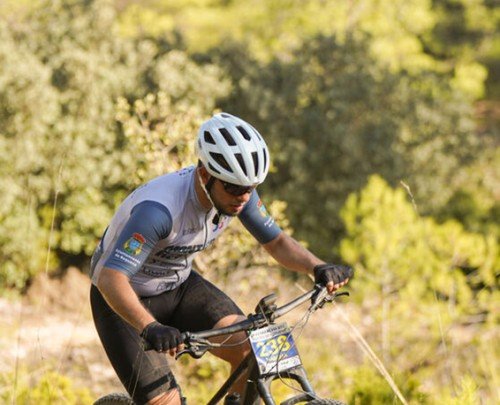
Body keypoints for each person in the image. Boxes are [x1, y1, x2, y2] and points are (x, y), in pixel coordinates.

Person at [89, 112, 353, 405]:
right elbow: (110, 278)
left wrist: (317, 267)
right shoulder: (159, 211)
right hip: (121, 298)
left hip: (178, 286)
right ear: (205, 175)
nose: (244, 197)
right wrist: (150, 327)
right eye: (235, 188)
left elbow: (277, 242)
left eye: (250, 188)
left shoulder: (237, 196)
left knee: (252, 352)